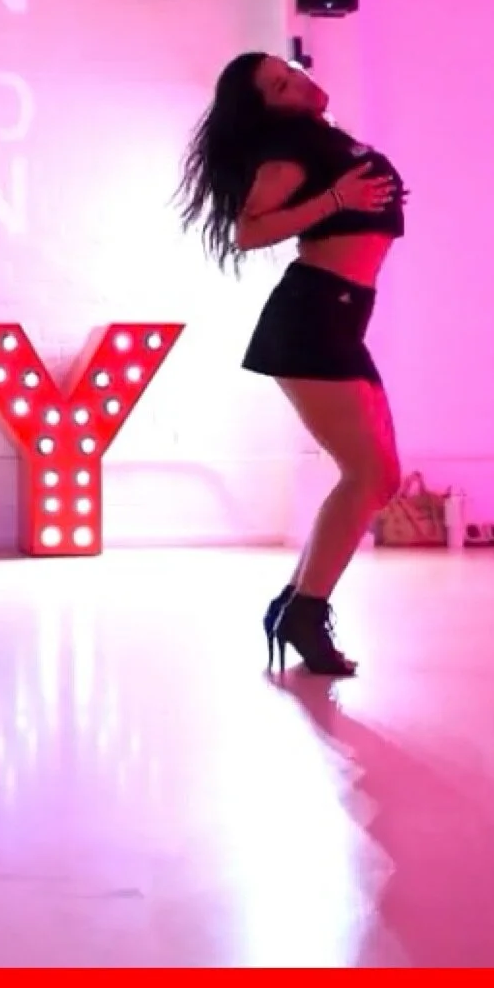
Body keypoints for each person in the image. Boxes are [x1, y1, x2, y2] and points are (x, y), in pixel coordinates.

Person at [176, 51, 407, 676]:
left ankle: (295, 604)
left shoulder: (319, 139)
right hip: (311, 320)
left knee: (380, 477)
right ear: (271, 109)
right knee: (366, 474)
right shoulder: (287, 151)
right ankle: (304, 611)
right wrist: (336, 198)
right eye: (281, 86)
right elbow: (248, 233)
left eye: (291, 71)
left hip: (338, 318)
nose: (299, 83)